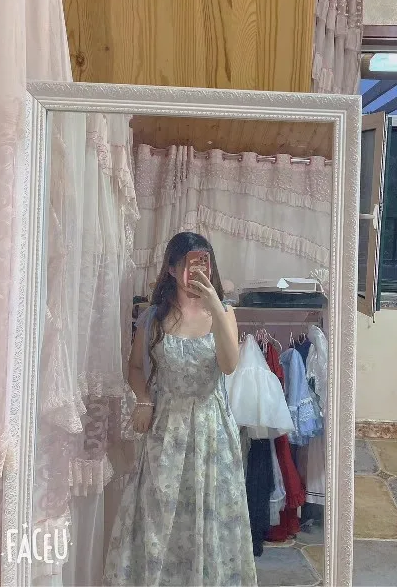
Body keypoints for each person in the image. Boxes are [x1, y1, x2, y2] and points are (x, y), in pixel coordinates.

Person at [104, 232, 257, 586]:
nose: (198, 270)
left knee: (212, 515)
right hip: (166, 430)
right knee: (159, 516)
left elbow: (229, 365)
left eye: (205, 262)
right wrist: (144, 400)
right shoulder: (153, 318)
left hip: (211, 433)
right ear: (172, 269)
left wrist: (215, 304)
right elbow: (135, 368)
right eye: (189, 263)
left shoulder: (224, 313)